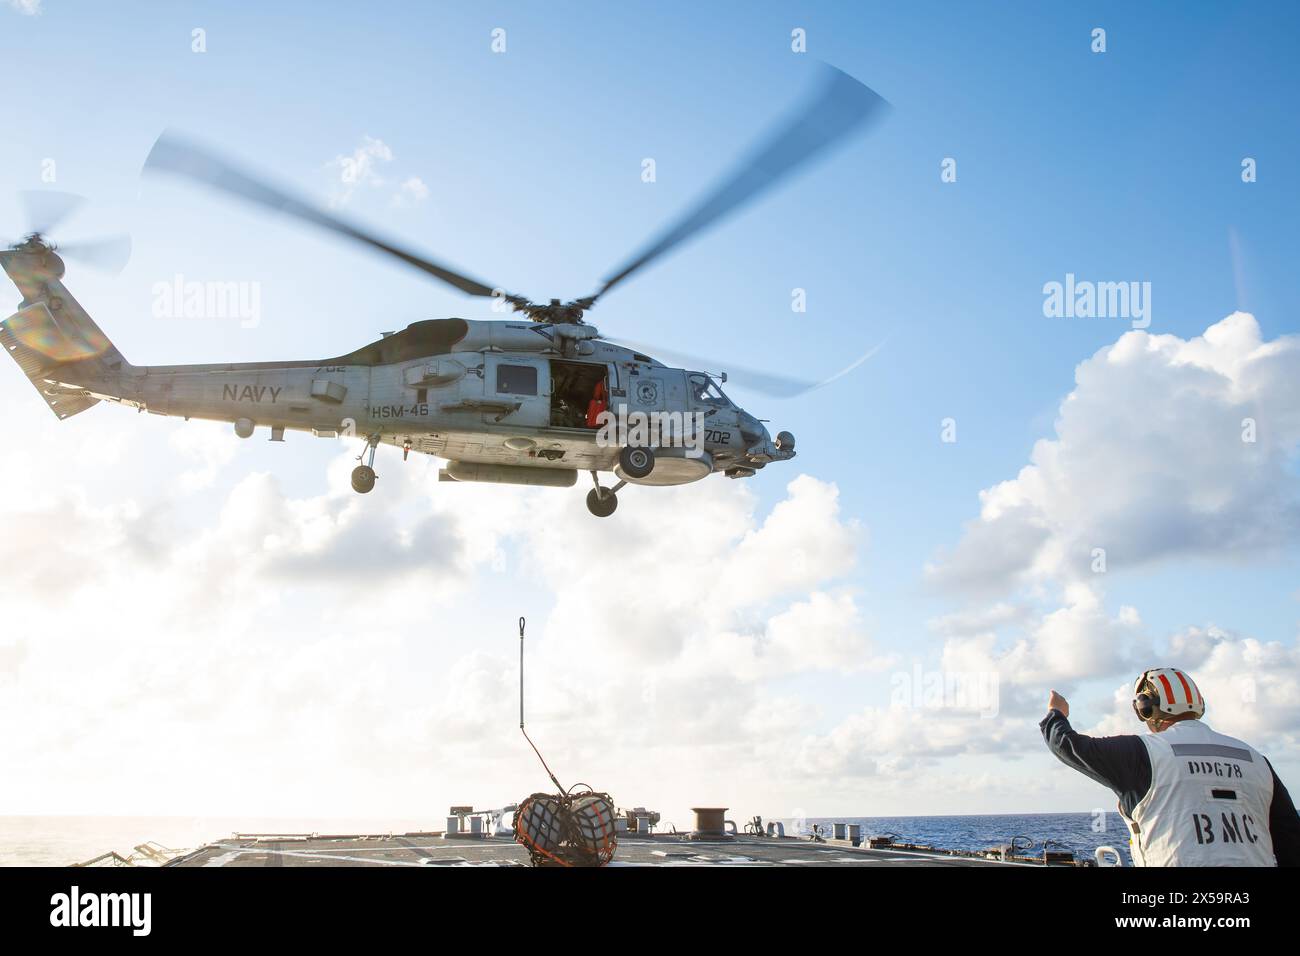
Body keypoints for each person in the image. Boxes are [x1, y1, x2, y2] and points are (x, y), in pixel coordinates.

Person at [1041, 667, 1300, 866]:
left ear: (1146, 707)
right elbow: (1290, 839)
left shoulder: (1144, 753)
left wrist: (1056, 713)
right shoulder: (1256, 760)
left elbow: (1066, 745)